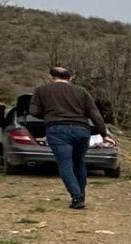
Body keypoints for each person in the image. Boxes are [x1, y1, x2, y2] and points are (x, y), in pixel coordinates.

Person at [30, 64, 108, 209]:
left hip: (57, 129)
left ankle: (76, 198)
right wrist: (103, 134)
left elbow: (33, 111)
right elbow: (95, 114)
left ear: (51, 77)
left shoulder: (41, 90)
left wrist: (49, 115)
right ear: (71, 78)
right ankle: (81, 194)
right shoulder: (82, 91)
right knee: (79, 162)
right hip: (82, 129)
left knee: (65, 163)